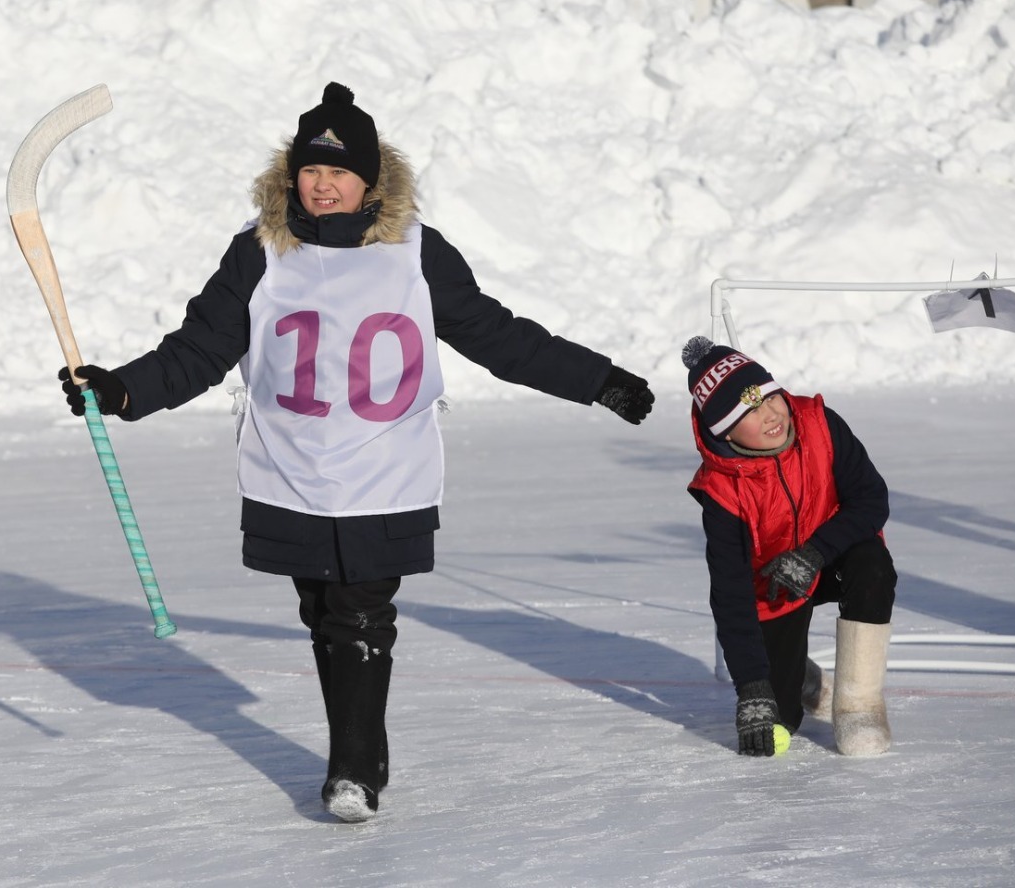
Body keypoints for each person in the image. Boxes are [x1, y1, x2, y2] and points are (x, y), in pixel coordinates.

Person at [58, 82, 656, 822]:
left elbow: (496, 336)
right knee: (323, 608)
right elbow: (200, 349)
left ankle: (353, 771)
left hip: (385, 466)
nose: (324, 184)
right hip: (290, 467)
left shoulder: (415, 252)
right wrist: (121, 391)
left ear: (371, 180)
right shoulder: (258, 253)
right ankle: (360, 750)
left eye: (339, 173)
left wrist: (597, 380)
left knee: (361, 611)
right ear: (291, 178)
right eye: (311, 172)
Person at [681, 335, 897, 757]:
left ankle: (858, 704)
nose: (770, 414)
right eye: (749, 411)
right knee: (779, 724)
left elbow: (872, 500)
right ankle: (801, 680)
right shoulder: (721, 492)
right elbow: (730, 593)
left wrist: (815, 553)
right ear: (725, 430)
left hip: (833, 560)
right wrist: (754, 689)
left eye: (768, 397)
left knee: (871, 563)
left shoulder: (821, 424)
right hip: (773, 591)